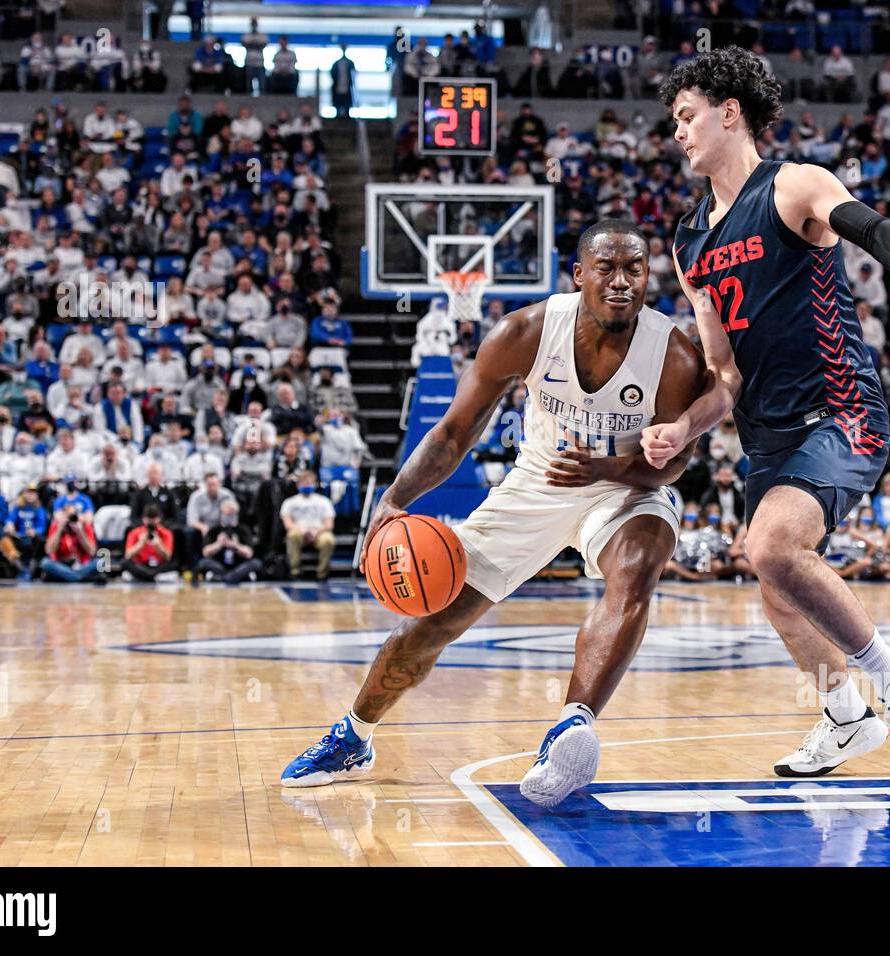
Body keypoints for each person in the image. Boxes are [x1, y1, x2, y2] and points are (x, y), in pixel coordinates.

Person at [280, 220, 706, 808]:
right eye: (606, 268)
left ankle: (571, 729)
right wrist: (396, 498)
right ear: (579, 275)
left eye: (634, 269)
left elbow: (673, 465)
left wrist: (610, 469)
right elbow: (456, 432)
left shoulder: (675, 354)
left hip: (623, 487)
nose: (621, 281)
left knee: (639, 566)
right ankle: (355, 734)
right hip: (537, 481)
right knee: (432, 623)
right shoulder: (526, 332)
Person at [651, 47, 890, 779]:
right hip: (767, 430)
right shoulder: (690, 242)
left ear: (730, 112)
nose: (679, 134)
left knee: (773, 546)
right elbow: (725, 373)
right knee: (777, 587)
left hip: (841, 408)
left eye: (687, 117)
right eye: (673, 123)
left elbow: (870, 225)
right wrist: (683, 429)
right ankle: (845, 718)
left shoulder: (793, 185)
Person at [279, 471, 336, 580]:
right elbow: (287, 523)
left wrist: (316, 532)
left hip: (319, 532)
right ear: (298, 485)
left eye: (309, 483)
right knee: (292, 535)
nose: (307, 485)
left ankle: (322, 574)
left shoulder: (324, 501)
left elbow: (329, 524)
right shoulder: (289, 502)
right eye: (304, 483)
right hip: (299, 531)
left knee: (328, 540)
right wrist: (303, 531)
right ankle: (295, 571)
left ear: (315, 484)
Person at [196, 498, 261, 584]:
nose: (229, 517)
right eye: (227, 514)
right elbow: (205, 552)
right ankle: (231, 577)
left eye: (232, 514)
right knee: (203, 562)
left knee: (256, 563)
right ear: (221, 514)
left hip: (238, 565)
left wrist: (235, 545)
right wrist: (218, 544)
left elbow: (249, 554)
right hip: (220, 565)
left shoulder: (243, 529)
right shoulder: (214, 530)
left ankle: (225, 577)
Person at [42, 503, 100, 582]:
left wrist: (80, 532)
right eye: (67, 517)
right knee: (45, 563)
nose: (70, 521)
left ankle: (71, 577)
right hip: (61, 565)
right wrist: (59, 529)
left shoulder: (85, 526)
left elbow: (91, 552)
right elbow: (49, 550)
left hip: (81, 565)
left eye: (72, 517)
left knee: (100, 561)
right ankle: (76, 577)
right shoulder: (56, 526)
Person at [122, 504, 178, 582]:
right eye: (149, 519)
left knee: (175, 563)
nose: (151, 522)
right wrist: (140, 544)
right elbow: (128, 556)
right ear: (143, 519)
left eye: (153, 519)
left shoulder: (166, 533)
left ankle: (146, 577)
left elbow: (168, 557)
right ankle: (153, 577)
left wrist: (159, 546)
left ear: (158, 519)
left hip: (158, 565)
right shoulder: (135, 533)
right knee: (125, 563)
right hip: (142, 565)